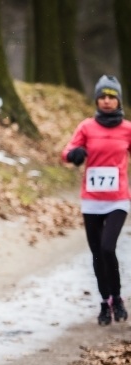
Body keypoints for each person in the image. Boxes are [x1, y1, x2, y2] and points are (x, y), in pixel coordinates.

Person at [62, 75, 131, 326]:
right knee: (97, 254)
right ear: (96, 100)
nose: (106, 101)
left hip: (118, 200)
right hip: (91, 200)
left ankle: (118, 296)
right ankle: (105, 302)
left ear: (118, 101)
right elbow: (66, 153)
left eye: (111, 97)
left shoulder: (127, 129)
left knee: (107, 248)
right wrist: (74, 154)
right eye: (102, 96)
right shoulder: (87, 127)